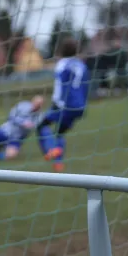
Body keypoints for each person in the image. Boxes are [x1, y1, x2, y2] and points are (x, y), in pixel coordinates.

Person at [37, 39, 90, 172]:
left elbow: (60, 85)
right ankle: (58, 164)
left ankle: (51, 150)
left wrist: (57, 102)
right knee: (60, 133)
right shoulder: (82, 65)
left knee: (42, 125)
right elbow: (86, 86)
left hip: (64, 105)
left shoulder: (62, 64)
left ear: (61, 51)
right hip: (80, 106)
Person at [0, 96, 45, 161]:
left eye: (39, 104)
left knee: (10, 156)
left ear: (41, 105)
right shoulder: (22, 105)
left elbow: (32, 127)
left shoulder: (40, 116)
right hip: (5, 130)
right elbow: (10, 116)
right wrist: (22, 122)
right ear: (32, 101)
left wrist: (27, 125)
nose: (37, 105)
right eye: (36, 103)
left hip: (16, 137)